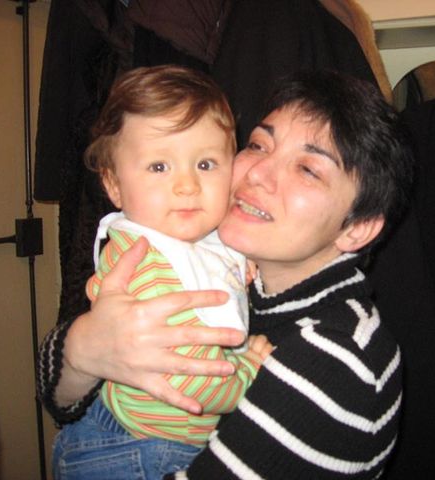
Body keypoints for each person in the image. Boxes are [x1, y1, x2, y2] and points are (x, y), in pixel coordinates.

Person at [37, 69, 412, 478]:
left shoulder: (336, 359)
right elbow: (61, 402)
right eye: (258, 145)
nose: (257, 173)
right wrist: (82, 349)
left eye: (307, 169)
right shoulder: (212, 261)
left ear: (358, 227)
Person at [51, 65, 273, 479]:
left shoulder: (195, 238)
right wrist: (252, 371)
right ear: (113, 185)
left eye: (206, 164)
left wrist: (238, 258)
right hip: (132, 451)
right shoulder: (146, 264)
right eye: (158, 167)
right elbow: (194, 383)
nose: (187, 185)